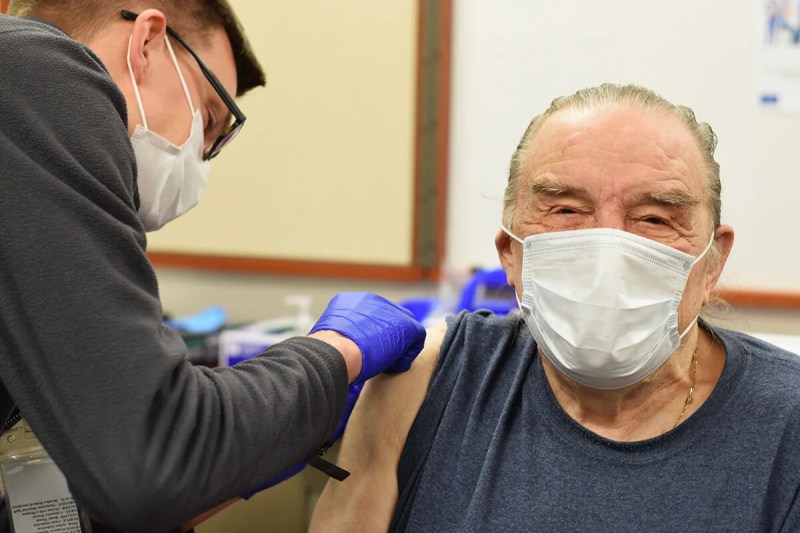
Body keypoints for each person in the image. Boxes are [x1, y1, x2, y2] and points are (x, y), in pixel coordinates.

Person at [0, 1, 426, 531]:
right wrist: (336, 354)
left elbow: (73, 494)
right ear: (148, 42)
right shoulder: (35, 72)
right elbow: (152, 458)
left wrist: (241, 456)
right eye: (208, 117)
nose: (199, 157)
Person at [310, 83, 800, 532]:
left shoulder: (787, 422)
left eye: (654, 218)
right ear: (510, 252)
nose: (608, 250)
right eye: (566, 210)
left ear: (712, 262)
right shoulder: (421, 381)